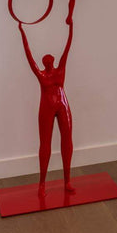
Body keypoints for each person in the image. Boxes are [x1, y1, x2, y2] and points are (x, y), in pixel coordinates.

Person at [19, 17, 74, 197]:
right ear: (44, 63)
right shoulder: (41, 74)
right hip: (47, 108)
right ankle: (42, 184)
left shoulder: (61, 69)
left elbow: (68, 46)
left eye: (50, 60)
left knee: (67, 140)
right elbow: (29, 56)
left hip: (62, 105)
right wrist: (22, 33)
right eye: (46, 60)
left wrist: (71, 26)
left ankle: (67, 181)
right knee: (45, 144)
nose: (49, 61)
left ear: (53, 60)